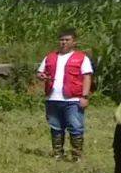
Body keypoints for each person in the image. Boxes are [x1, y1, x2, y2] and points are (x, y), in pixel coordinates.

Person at [36, 29, 93, 161]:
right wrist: (41, 76)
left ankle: (76, 157)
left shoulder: (82, 58)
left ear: (74, 42)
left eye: (67, 40)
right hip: (52, 99)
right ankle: (58, 155)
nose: (64, 42)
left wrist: (84, 97)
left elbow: (87, 77)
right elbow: (39, 73)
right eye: (62, 40)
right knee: (56, 128)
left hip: (73, 99)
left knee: (75, 127)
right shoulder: (49, 57)